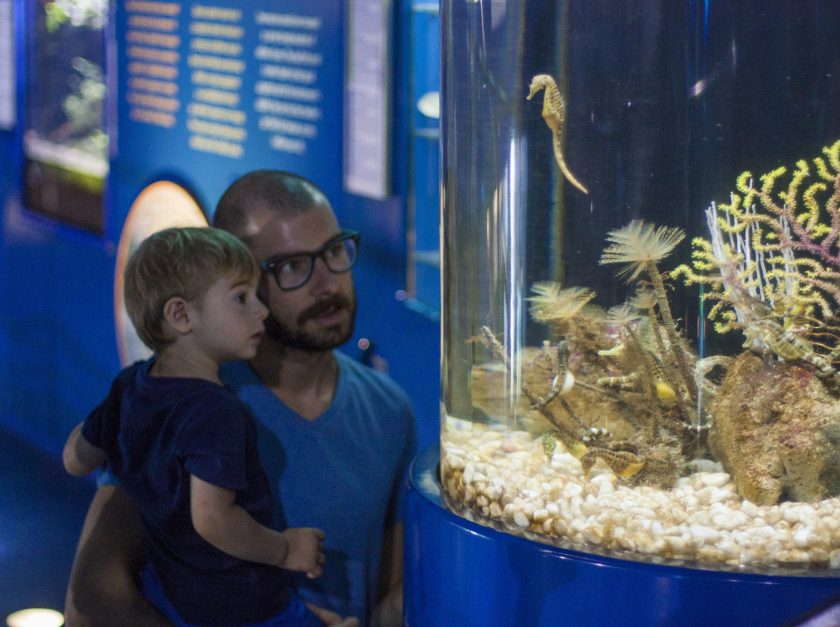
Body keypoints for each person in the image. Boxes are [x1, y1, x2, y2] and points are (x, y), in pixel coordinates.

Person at [64, 171, 417, 627]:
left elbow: (390, 594)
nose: (327, 282)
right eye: (291, 266)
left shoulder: (390, 411)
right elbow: (90, 605)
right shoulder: (177, 400)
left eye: (333, 252)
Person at [62, 227, 327, 626]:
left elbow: (74, 459)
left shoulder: (131, 385)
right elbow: (213, 519)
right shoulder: (215, 411)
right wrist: (286, 550)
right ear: (181, 315)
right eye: (241, 297)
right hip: (242, 605)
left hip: (170, 592)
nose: (262, 310)